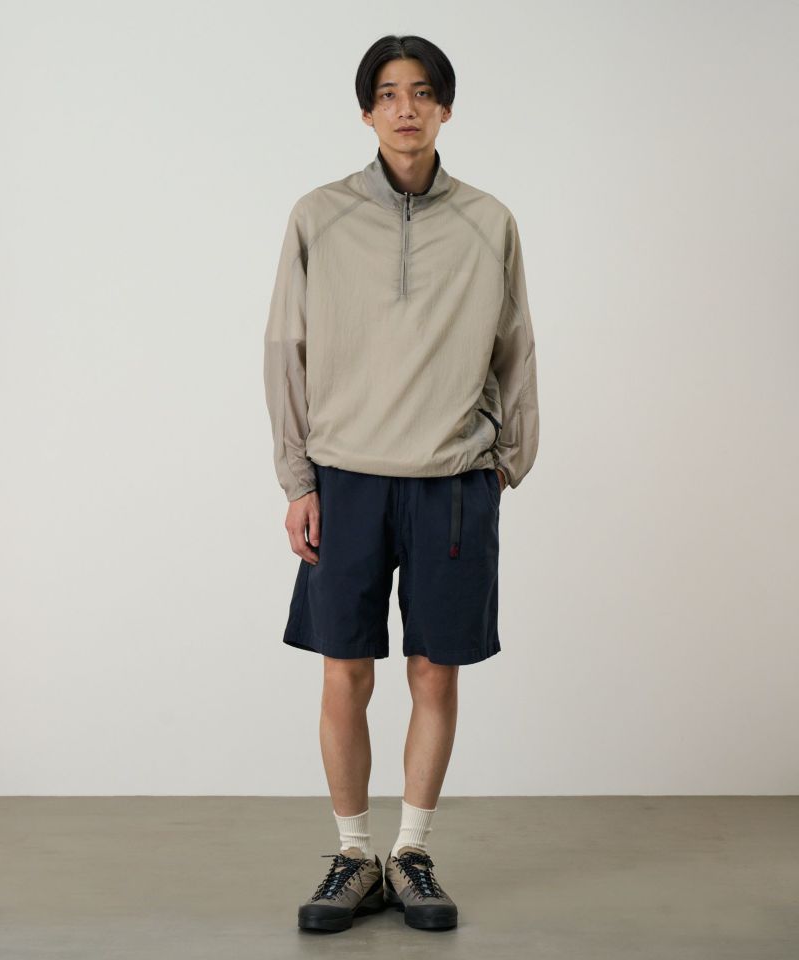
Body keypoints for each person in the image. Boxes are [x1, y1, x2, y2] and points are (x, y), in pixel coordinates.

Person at [263, 33, 539, 933]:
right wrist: (298, 479)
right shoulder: (319, 215)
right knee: (346, 669)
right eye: (388, 93)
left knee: (434, 671)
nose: (406, 108)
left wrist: (507, 460)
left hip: (452, 480)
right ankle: (353, 855)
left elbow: (515, 346)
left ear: (446, 107)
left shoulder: (489, 221)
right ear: (366, 111)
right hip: (344, 477)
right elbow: (286, 347)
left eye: (422, 92)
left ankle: (411, 852)